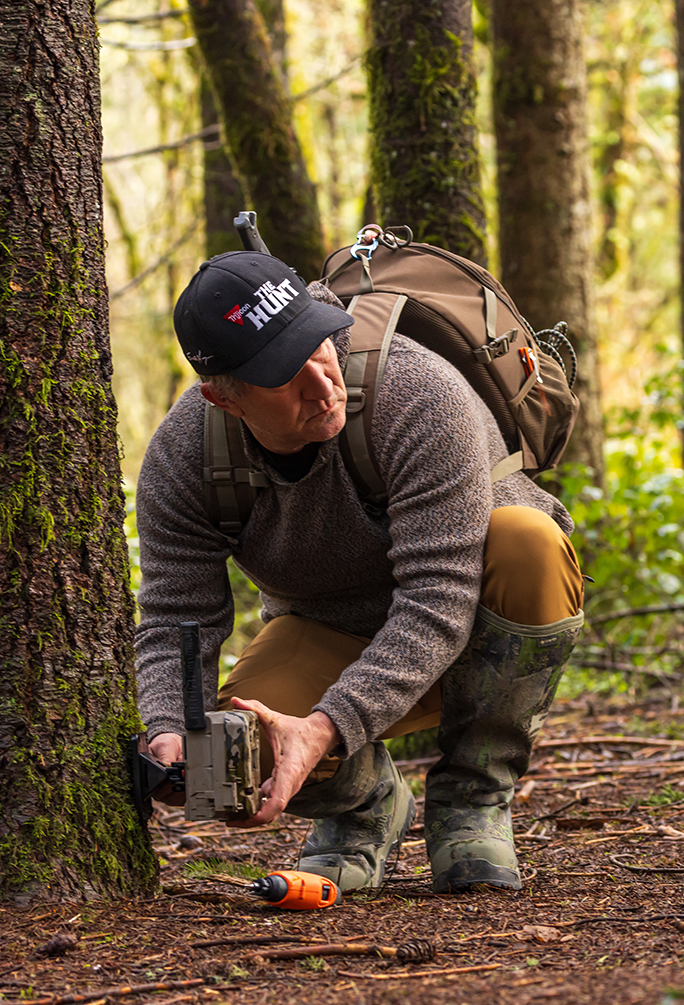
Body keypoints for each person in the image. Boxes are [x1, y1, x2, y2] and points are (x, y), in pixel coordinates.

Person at [135, 250, 585, 893]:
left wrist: (324, 727)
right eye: (281, 375)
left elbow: (438, 599)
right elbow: (177, 616)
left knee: (528, 540)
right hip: (332, 631)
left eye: (320, 346)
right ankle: (366, 805)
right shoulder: (185, 458)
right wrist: (171, 731)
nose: (322, 384)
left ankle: (473, 797)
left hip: (481, 628)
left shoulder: (421, 396)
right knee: (225, 765)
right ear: (223, 398)